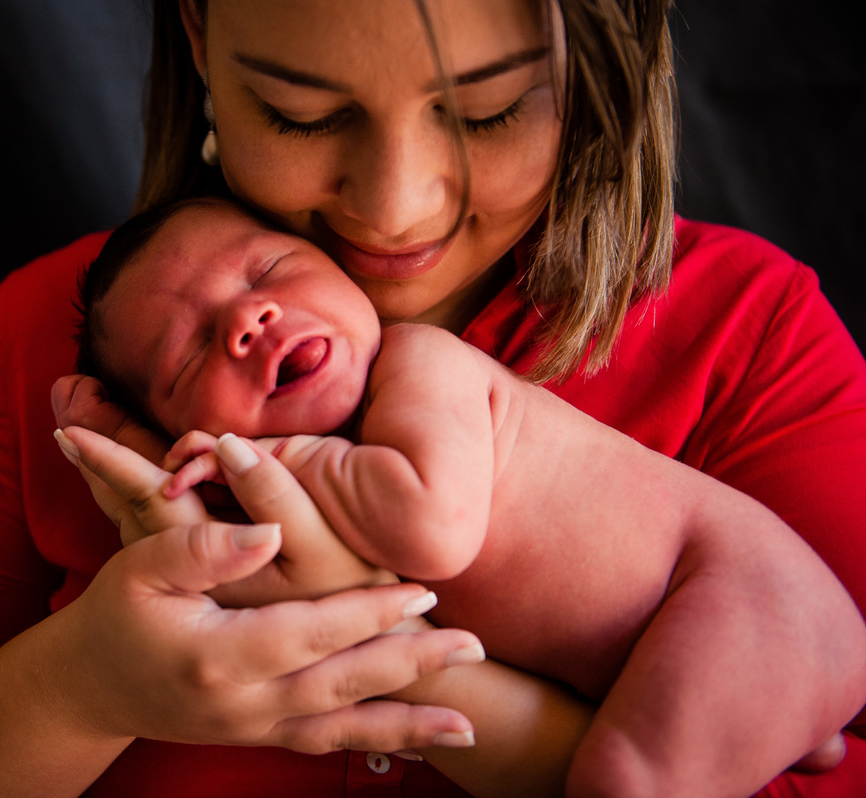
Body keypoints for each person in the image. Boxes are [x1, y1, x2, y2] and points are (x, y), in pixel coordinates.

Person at [0, 1, 866, 796]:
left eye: (486, 114)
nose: (396, 209)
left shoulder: (746, 333)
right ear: (203, 41)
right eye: (300, 114)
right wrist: (80, 689)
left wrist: (363, 656)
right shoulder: (65, 346)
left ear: (602, 67)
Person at [62, 193, 865, 794]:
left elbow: (432, 531)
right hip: (686, 654)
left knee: (617, 784)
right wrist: (131, 452)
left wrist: (281, 454)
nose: (250, 317)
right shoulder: (332, 465)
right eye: (190, 353)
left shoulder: (421, 365)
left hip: (733, 595)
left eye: (271, 269)